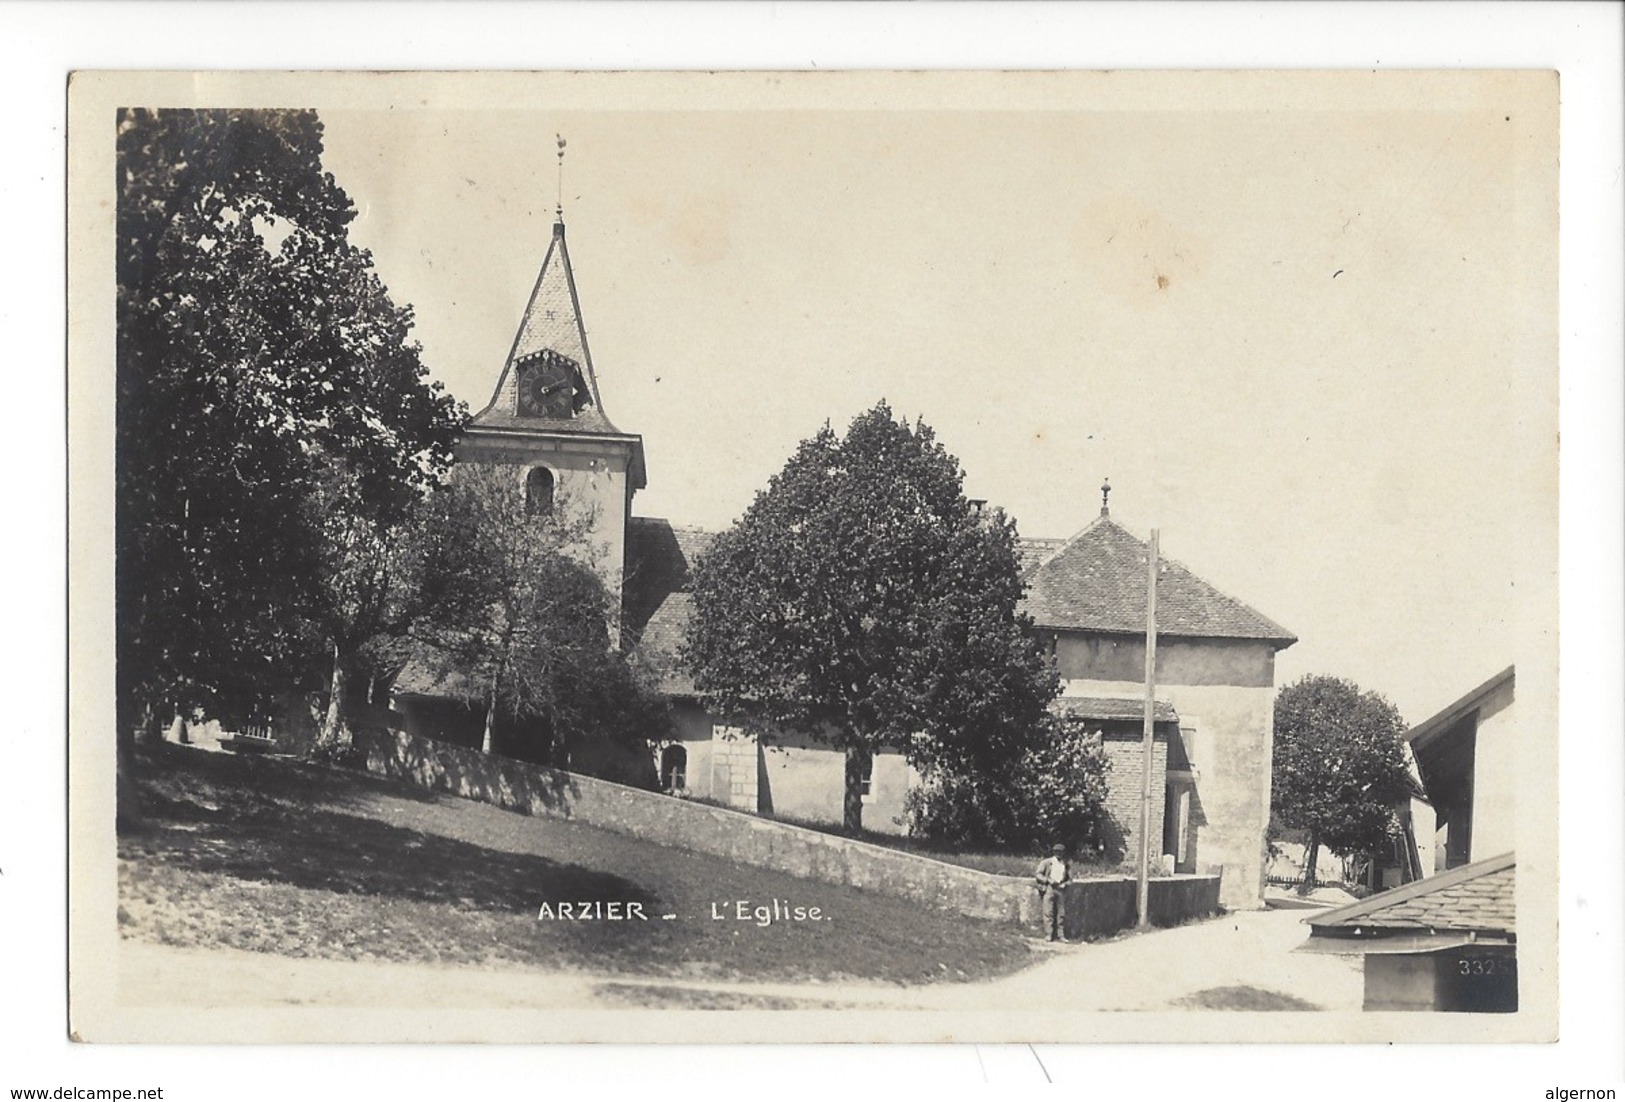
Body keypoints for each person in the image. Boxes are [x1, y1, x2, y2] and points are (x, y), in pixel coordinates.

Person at [1034, 843, 1072, 942]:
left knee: (1061, 913)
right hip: (1049, 888)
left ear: (1064, 853)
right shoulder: (1047, 862)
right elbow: (1038, 874)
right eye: (1056, 851)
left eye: (1060, 852)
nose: (1058, 853)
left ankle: (1061, 935)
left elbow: (1070, 879)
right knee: (1048, 912)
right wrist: (1047, 880)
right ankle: (1048, 935)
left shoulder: (1066, 864)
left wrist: (1065, 884)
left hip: (1060, 889)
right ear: (1053, 852)